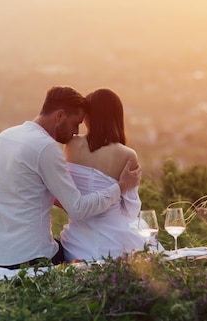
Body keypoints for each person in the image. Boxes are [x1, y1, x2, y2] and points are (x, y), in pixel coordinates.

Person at [0, 86, 142, 269]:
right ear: (59, 116)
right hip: (30, 255)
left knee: (73, 243)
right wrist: (120, 187)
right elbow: (78, 209)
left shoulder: (5, 136)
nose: (75, 131)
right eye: (75, 123)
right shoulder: (46, 147)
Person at [60, 88, 147, 261]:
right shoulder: (127, 155)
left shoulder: (70, 145)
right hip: (114, 243)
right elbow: (131, 209)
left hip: (77, 244)